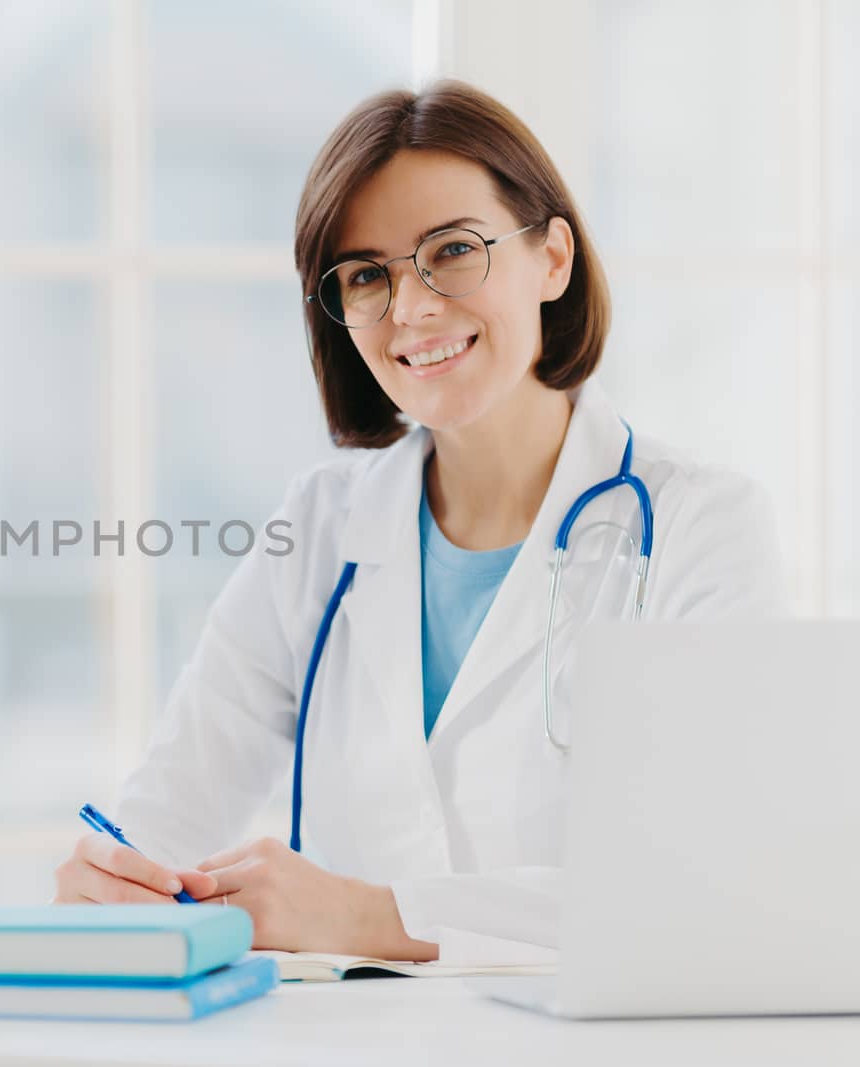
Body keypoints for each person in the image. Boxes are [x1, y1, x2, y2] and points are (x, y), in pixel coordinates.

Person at [51, 80, 785, 963]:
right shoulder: (318, 530)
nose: (413, 308)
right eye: (368, 275)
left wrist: (372, 917)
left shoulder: (702, 525)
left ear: (553, 258)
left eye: (453, 251)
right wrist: (112, 878)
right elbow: (169, 806)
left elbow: (707, 885)